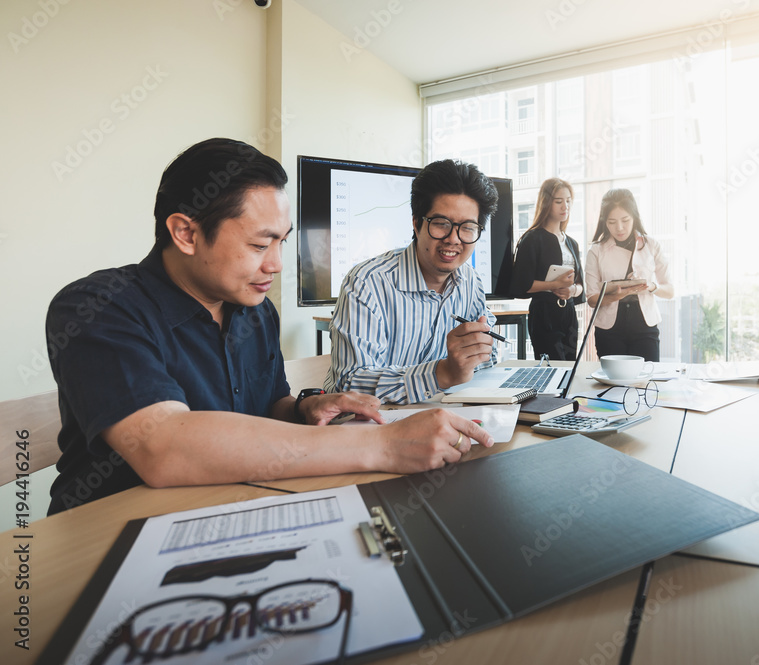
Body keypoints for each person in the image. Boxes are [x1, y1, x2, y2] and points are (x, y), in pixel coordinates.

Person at [45, 139, 492, 515]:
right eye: (260, 244)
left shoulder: (254, 311)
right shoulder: (100, 307)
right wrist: (384, 445)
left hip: (240, 508)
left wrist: (305, 409)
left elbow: (268, 407)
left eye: (282, 241)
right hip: (116, 535)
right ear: (185, 233)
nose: (276, 265)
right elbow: (164, 447)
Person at [325, 159, 500, 404]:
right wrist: (442, 373)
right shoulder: (367, 283)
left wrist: (481, 348)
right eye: (441, 224)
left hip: (440, 413)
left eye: (468, 228)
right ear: (417, 223)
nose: (453, 239)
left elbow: (490, 354)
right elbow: (351, 384)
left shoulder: (469, 280)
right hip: (369, 426)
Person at [585, 188, 674, 361]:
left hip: (644, 326)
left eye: (625, 220)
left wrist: (651, 286)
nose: (619, 228)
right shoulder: (596, 251)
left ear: (634, 217)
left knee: (646, 382)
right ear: (604, 222)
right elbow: (592, 299)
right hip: (609, 329)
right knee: (614, 385)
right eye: (612, 222)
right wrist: (615, 296)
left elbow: (670, 291)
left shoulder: (651, 245)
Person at [509, 178, 585, 361]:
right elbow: (521, 285)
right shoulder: (531, 239)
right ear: (546, 203)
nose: (564, 206)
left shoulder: (571, 243)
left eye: (568, 201)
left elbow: (581, 285)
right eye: (559, 201)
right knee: (552, 369)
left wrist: (571, 290)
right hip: (544, 314)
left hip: (569, 313)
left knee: (569, 369)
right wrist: (554, 284)